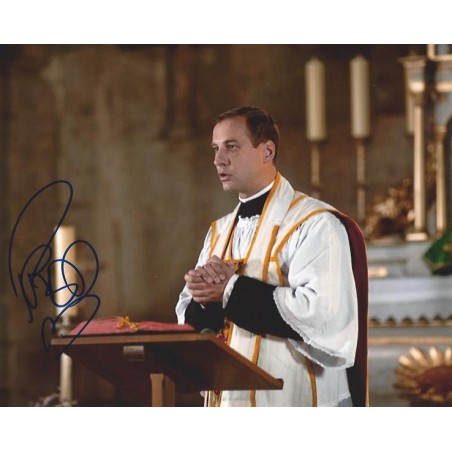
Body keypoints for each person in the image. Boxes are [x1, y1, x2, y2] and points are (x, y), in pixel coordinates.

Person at [175, 106, 368, 407]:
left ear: (267, 151)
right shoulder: (219, 232)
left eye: (231, 147)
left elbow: (320, 313)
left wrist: (228, 290)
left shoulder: (314, 223)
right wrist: (203, 299)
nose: (218, 160)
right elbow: (195, 321)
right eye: (215, 148)